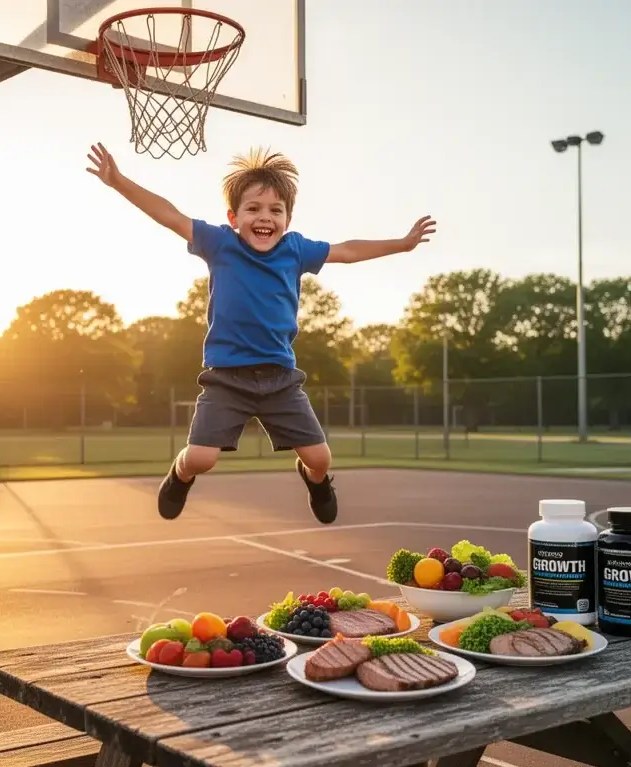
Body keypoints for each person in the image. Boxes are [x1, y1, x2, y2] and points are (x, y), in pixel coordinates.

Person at [85, 142, 436, 523]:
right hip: (227, 379)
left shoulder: (296, 250)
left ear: (287, 218)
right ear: (233, 217)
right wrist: (119, 181)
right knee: (202, 458)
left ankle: (316, 482)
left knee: (320, 458)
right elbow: (170, 215)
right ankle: (180, 474)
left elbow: (347, 251)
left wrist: (401, 245)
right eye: (253, 209)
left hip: (280, 379)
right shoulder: (220, 244)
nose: (264, 217)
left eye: (275, 210)